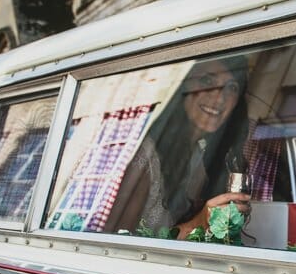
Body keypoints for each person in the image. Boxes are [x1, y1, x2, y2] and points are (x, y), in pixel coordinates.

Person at [105, 57, 251, 238]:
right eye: (207, 81)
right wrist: (201, 222)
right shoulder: (143, 156)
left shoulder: (199, 153)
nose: (219, 97)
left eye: (232, 88)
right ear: (180, 88)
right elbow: (118, 243)